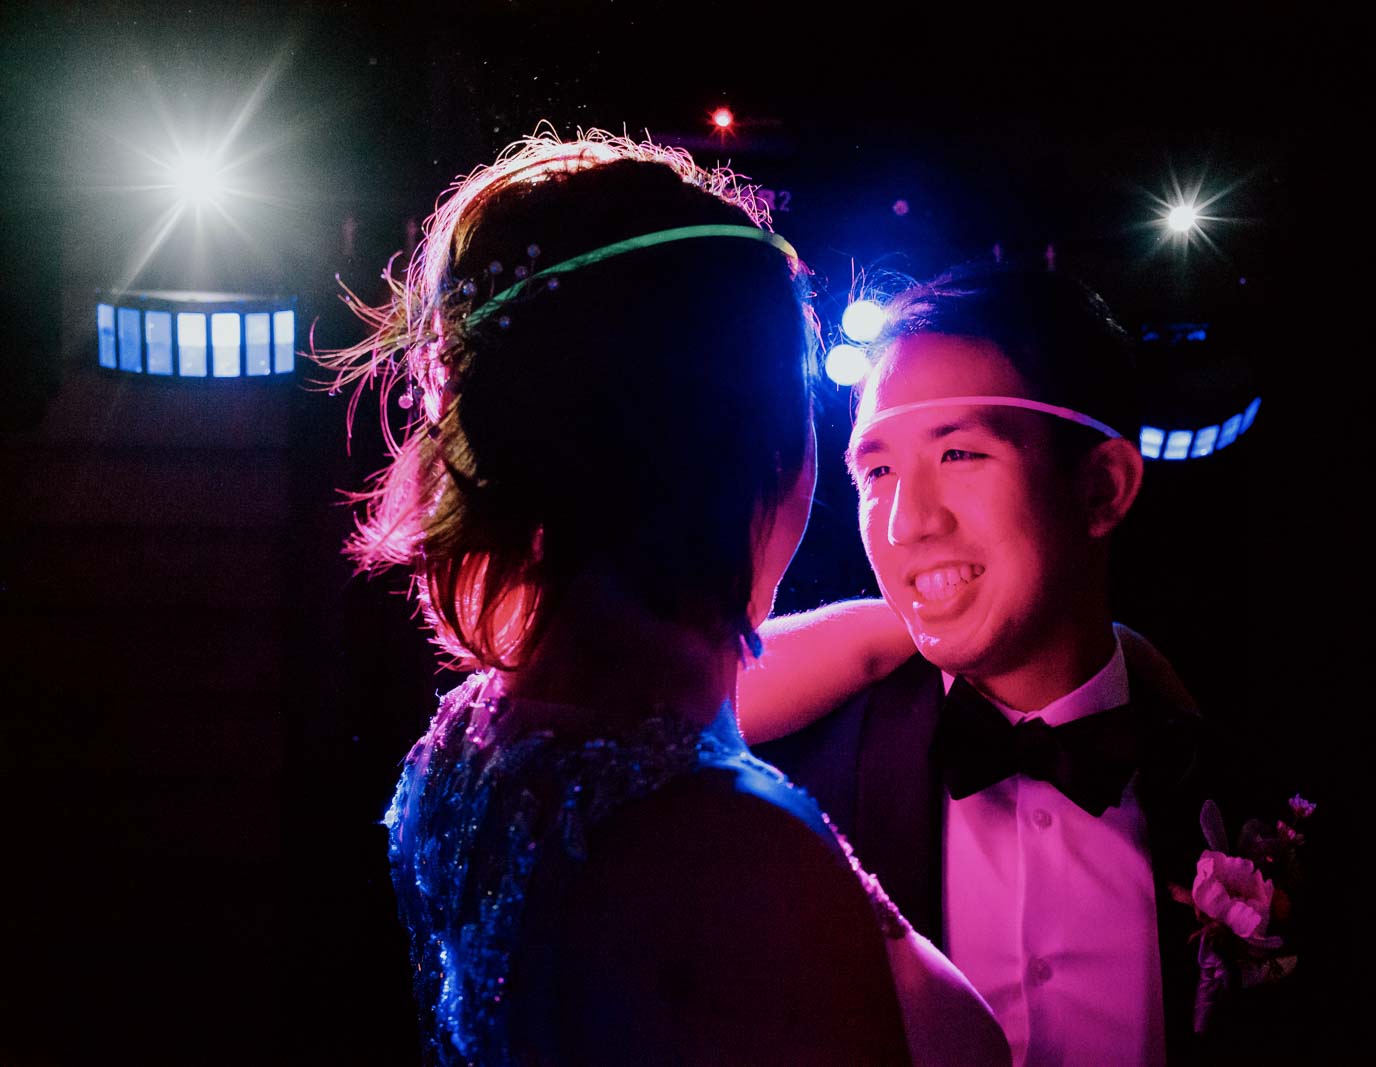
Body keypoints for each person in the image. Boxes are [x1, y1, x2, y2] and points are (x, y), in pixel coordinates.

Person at [322, 132, 1008, 1066]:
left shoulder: (475, 737)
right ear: (751, 446)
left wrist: (926, 619)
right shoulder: (739, 861)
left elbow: (722, 702)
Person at [748, 268, 1317, 1066]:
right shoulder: (798, 788)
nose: (908, 522)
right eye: (876, 471)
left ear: (1101, 488)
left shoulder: (1254, 794)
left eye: (960, 451)